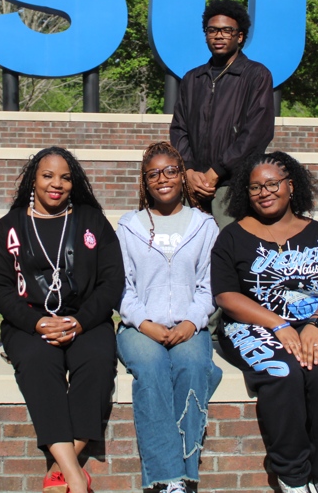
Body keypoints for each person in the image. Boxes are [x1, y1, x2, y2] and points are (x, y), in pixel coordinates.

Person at [212, 152, 318, 493]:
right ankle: (292, 475)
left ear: (291, 186)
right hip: (250, 326)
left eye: (272, 184)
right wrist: (279, 324)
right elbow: (227, 296)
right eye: (255, 187)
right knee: (283, 371)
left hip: (316, 325)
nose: (264, 192)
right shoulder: (232, 236)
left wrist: (315, 324)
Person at [0, 147, 125, 493]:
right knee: (37, 362)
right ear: (33, 179)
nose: (56, 184)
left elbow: (112, 281)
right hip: (28, 322)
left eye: (65, 177)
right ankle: (76, 477)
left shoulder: (91, 220)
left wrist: (79, 322)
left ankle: (59, 471)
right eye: (47, 175)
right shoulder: (10, 225)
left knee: (96, 361)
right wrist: (35, 323)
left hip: (86, 321)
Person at [115, 142, 222, 493]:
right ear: (144, 182)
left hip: (190, 327)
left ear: (182, 176)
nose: (162, 179)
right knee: (152, 370)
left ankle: (184, 474)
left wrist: (192, 322)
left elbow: (210, 286)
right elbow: (122, 287)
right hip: (139, 327)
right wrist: (146, 324)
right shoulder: (129, 226)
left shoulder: (204, 226)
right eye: (153, 174)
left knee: (192, 368)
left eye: (170, 171)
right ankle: (168, 477)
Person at [170, 0, 275, 230]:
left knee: (230, 249)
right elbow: (179, 129)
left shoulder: (256, 75)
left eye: (227, 30)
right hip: (194, 184)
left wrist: (217, 171)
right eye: (212, 30)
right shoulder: (192, 79)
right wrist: (188, 170)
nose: (218, 36)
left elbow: (257, 132)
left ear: (240, 36)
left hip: (232, 185)